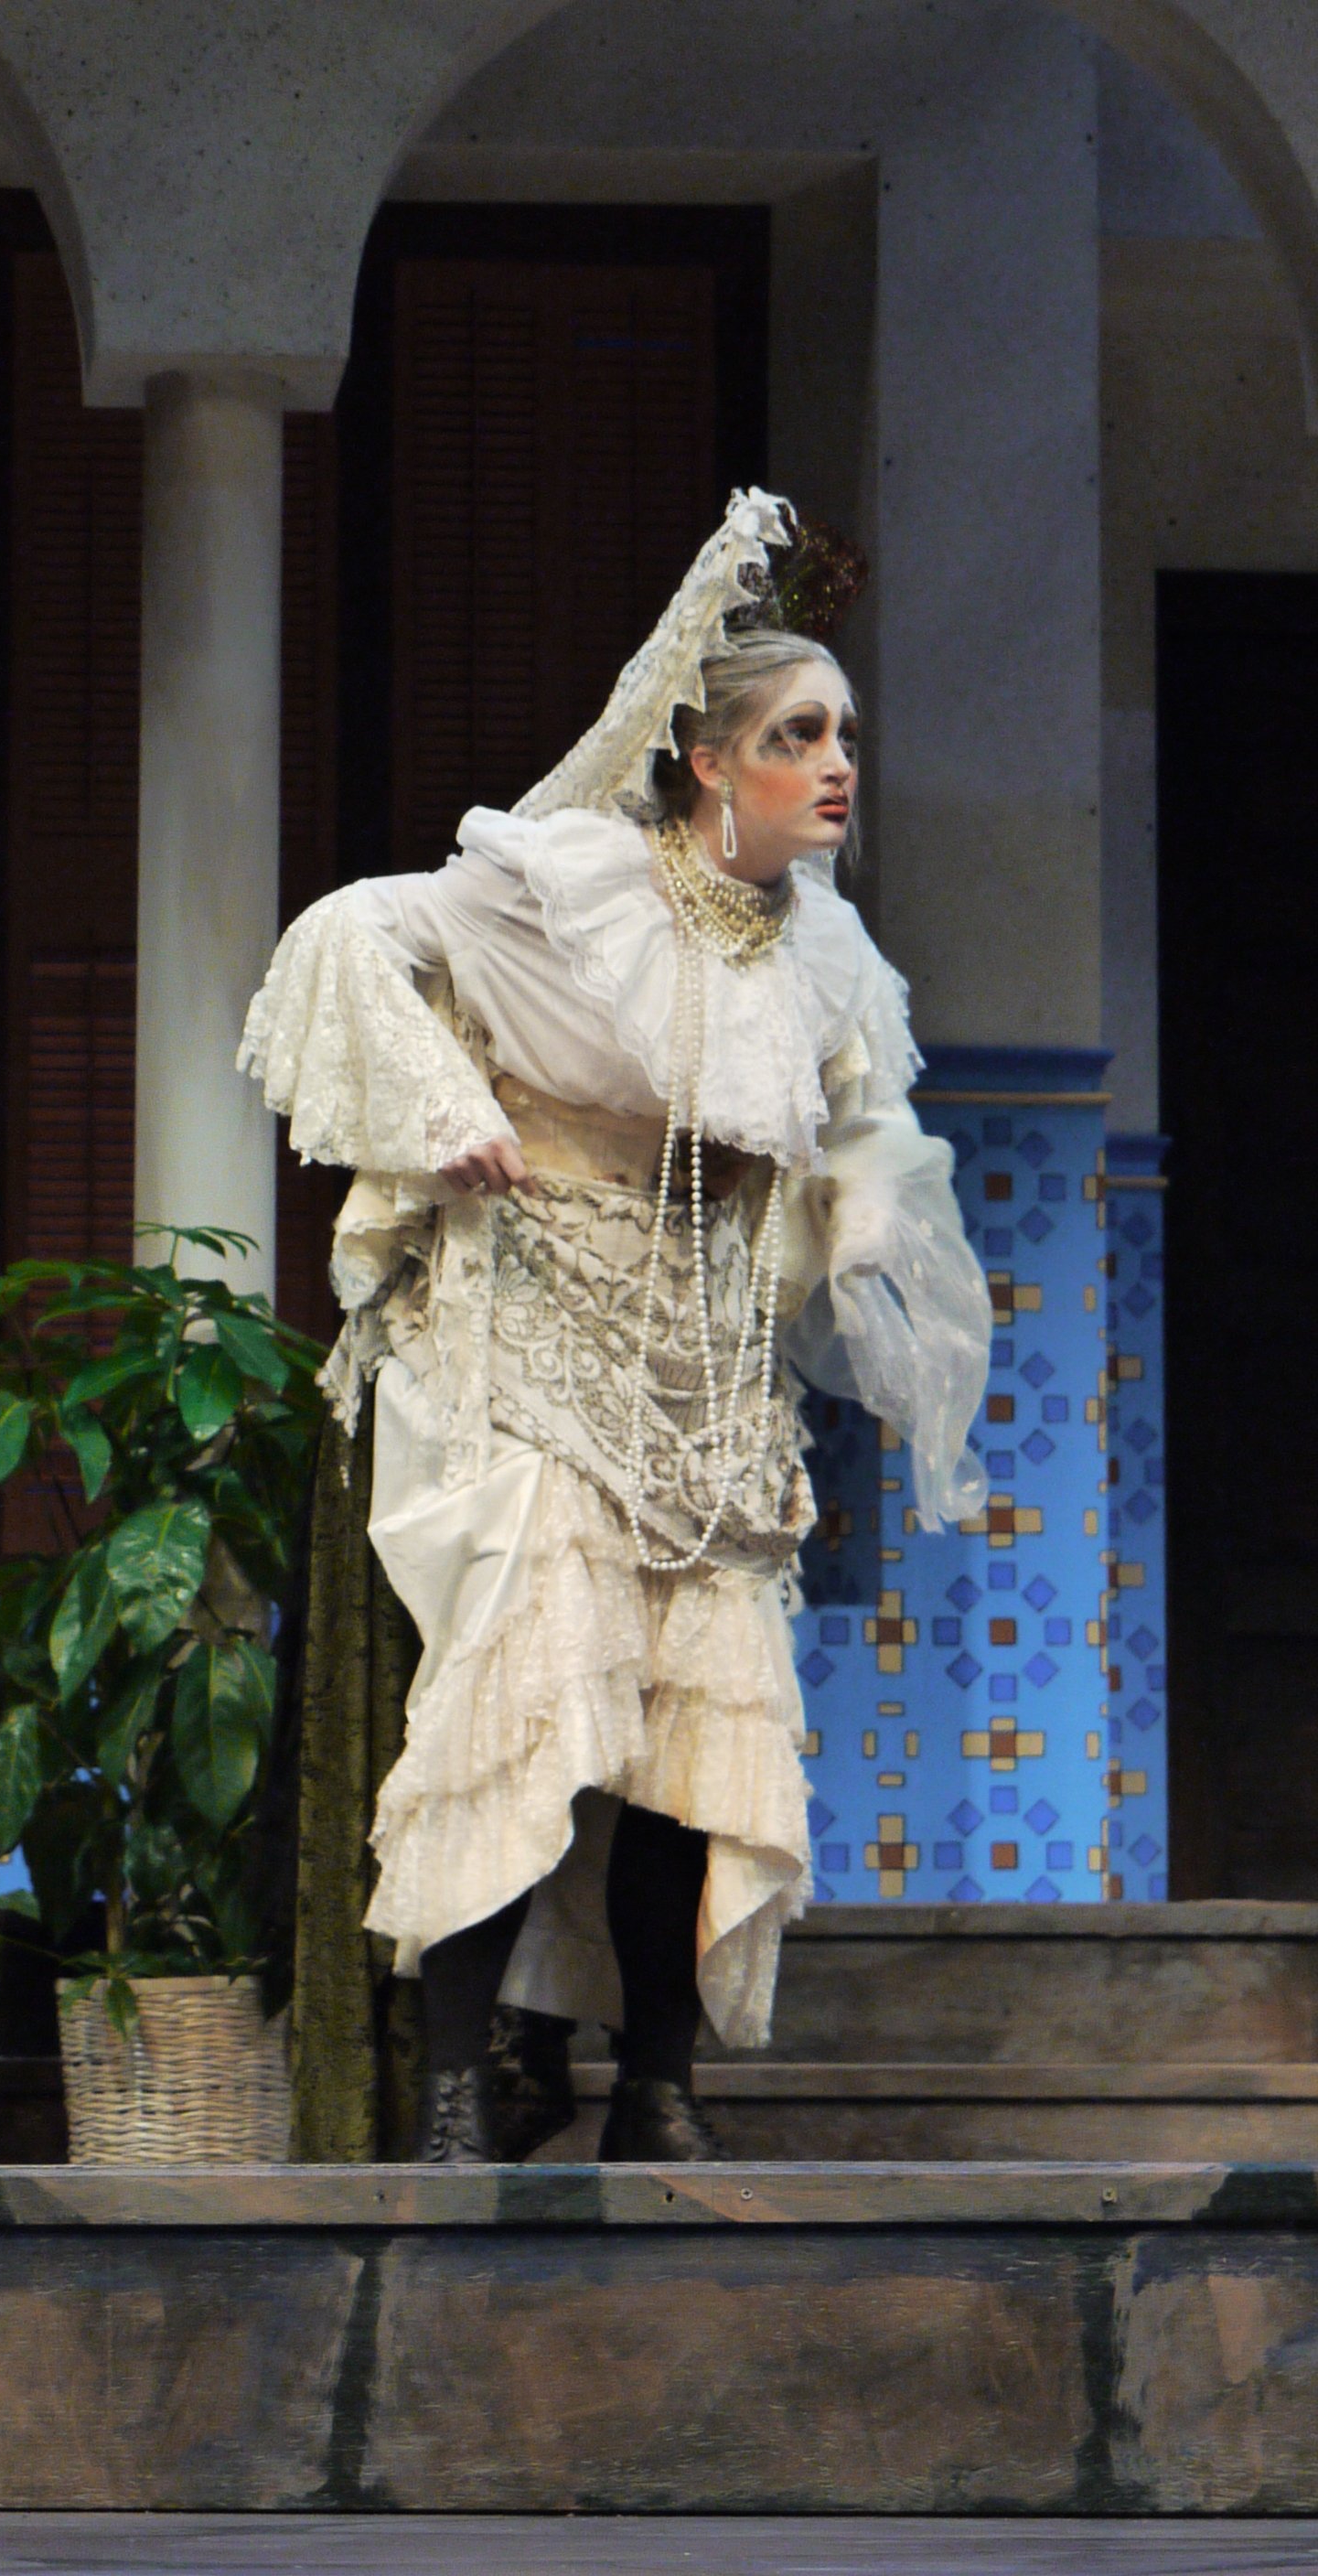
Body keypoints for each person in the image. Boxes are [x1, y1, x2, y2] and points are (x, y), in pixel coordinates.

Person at [241, 489, 991, 2162]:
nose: (837, 766)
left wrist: (863, 1208)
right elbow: (351, 931)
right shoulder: (576, 882)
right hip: (529, 1346)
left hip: (703, 1376)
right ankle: (456, 2093)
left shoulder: (827, 951)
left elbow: (866, 1113)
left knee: (693, 1739)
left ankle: (657, 2087)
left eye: (845, 736)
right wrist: (443, 1106)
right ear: (710, 760)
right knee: (527, 1711)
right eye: (798, 736)